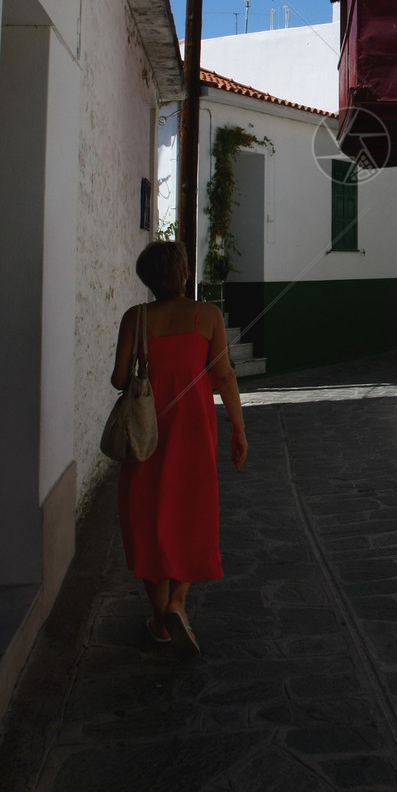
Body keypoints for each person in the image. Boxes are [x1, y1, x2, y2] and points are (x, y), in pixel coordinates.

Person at [111, 239, 247, 659]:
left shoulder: (136, 317)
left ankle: (160, 620)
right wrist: (238, 428)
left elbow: (119, 380)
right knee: (193, 510)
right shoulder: (206, 316)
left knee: (146, 514)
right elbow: (223, 376)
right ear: (185, 274)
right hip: (193, 426)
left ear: (147, 279)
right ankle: (178, 605)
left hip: (148, 429)